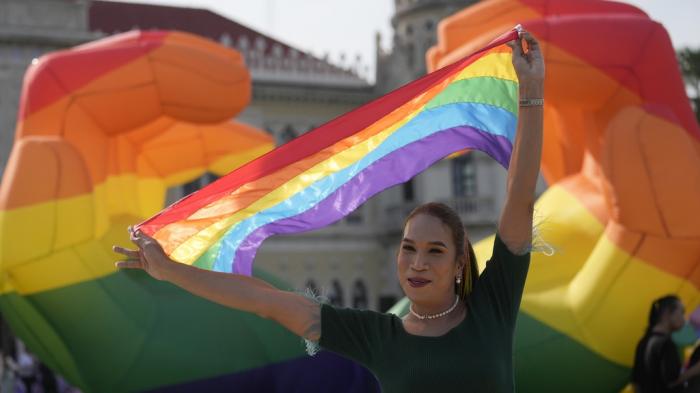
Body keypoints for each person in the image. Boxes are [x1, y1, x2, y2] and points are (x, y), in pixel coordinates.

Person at [114, 29, 544, 392]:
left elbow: (520, 195)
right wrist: (172, 271)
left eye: (434, 251)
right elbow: (266, 301)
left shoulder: (493, 308)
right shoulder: (377, 336)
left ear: (458, 264)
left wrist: (530, 95)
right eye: (408, 248)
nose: (417, 262)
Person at [631, 295, 686, 393]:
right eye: (681, 312)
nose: (684, 318)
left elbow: (636, 382)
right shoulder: (665, 344)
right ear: (667, 313)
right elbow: (672, 380)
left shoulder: (644, 341)